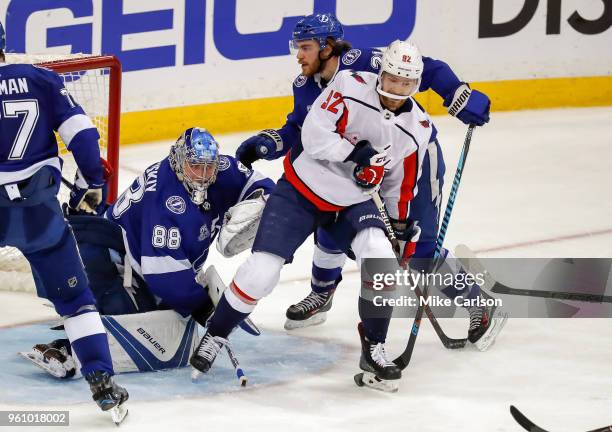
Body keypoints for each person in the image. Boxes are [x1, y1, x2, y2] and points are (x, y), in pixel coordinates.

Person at [190, 40, 449, 392]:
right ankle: (216, 334)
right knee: (261, 273)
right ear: (381, 75)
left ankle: (374, 346)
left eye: (406, 84)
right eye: (391, 80)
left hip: (352, 203)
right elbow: (313, 137)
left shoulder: (417, 128)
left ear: (416, 85)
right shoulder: (349, 86)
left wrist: (400, 225)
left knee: (381, 259)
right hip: (302, 189)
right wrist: (357, 155)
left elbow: (398, 185)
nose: (396, 90)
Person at [235, 13, 492, 332]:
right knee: (330, 219)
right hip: (357, 163)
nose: (298, 55)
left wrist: (458, 95)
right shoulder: (304, 85)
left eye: (305, 47)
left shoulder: (367, 62)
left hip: (410, 159)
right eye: (297, 47)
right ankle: (321, 293)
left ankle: (477, 301)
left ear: (327, 48)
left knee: (416, 245)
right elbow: (303, 128)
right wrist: (270, 142)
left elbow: (429, 69)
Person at [22, 127, 274, 377]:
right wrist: (205, 308)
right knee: (157, 334)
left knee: (173, 325)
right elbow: (164, 277)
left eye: (208, 167)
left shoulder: (221, 170)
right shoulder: (167, 203)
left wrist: (263, 202)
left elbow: (259, 185)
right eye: (195, 167)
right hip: (109, 257)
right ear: (178, 162)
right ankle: (67, 348)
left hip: (135, 256)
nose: (202, 175)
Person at [0, 21, 128, 421]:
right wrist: (93, 181)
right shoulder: (41, 79)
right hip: (39, 214)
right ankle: (102, 383)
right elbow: (84, 137)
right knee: (76, 302)